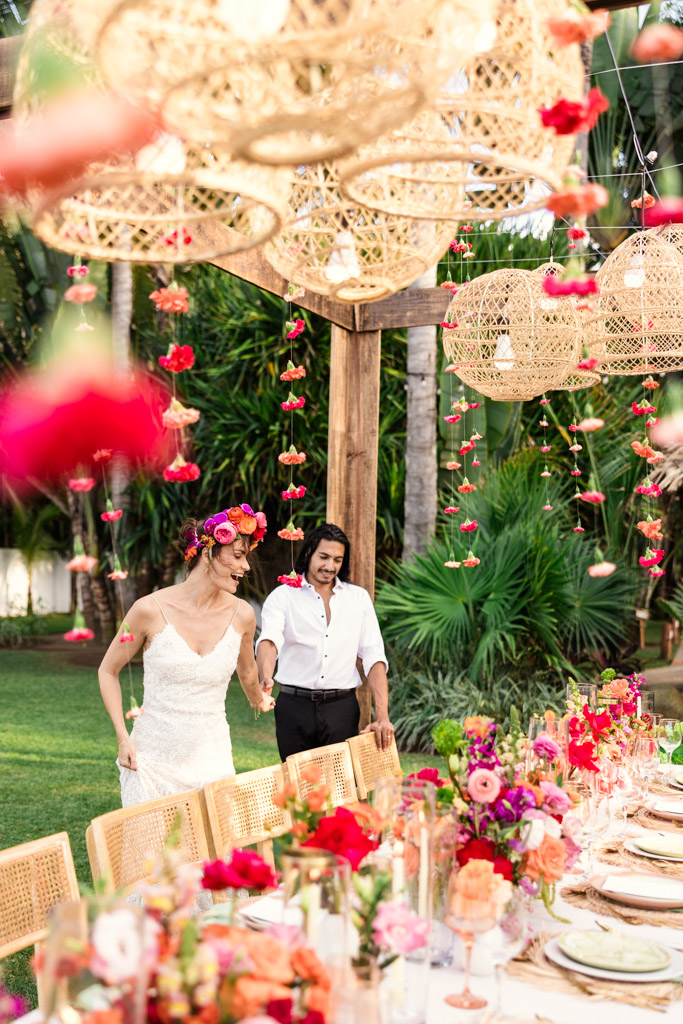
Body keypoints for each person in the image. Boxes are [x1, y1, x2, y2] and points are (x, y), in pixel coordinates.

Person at [98, 503, 274, 807]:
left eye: (246, 557)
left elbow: (246, 672)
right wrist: (122, 737)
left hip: (213, 763)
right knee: (151, 856)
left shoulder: (243, 615)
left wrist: (259, 699)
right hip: (151, 764)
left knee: (211, 854)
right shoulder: (148, 610)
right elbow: (108, 671)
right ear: (208, 553)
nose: (246, 567)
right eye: (238, 555)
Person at [256, 522, 393, 761]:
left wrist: (382, 716)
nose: (330, 566)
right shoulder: (283, 596)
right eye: (324, 557)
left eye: (338, 560)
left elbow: (374, 656)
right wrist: (265, 675)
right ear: (308, 552)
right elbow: (269, 640)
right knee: (298, 793)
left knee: (341, 791)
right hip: (293, 707)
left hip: (342, 709)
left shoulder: (358, 599)